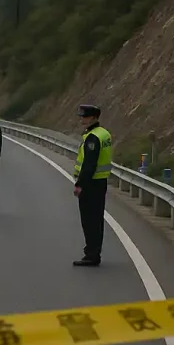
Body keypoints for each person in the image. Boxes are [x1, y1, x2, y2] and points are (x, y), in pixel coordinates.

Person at [73, 104, 112, 267]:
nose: (82, 119)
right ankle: (94, 251)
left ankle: (91, 254)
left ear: (94, 118)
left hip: (91, 183)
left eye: (85, 116)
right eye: (81, 116)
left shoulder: (93, 137)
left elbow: (89, 164)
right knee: (96, 219)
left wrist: (79, 184)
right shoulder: (104, 133)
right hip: (100, 182)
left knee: (89, 220)